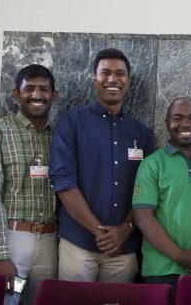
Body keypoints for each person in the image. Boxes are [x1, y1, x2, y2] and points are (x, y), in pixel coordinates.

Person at [50, 48, 154, 283]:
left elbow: (146, 190)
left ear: (128, 81)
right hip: (78, 243)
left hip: (124, 247)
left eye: (120, 74)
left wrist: (125, 229)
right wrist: (99, 232)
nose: (112, 79)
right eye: (105, 73)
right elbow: (63, 181)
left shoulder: (141, 132)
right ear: (94, 79)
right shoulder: (72, 122)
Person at [0, 64, 59, 305]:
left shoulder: (59, 136)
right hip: (11, 239)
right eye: (29, 88)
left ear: (53, 96)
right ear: (16, 94)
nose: (37, 95)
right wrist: (1, 255)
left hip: (49, 243)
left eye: (44, 89)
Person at [133, 97, 191, 304]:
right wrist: (179, 255)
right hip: (162, 273)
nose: (186, 124)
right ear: (167, 123)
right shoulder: (152, 164)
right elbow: (143, 217)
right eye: (178, 118)